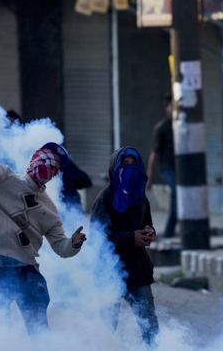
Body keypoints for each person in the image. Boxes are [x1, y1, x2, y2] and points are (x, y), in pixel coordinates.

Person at [0, 142, 87, 335]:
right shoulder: (4, 179)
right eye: (45, 159)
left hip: (26, 266)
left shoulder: (49, 208)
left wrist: (73, 243)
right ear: (33, 159)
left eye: (55, 166)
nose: (49, 167)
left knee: (38, 323)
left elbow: (60, 246)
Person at [91, 147, 159, 347]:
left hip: (138, 271)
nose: (129, 168)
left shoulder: (141, 198)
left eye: (133, 163)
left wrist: (149, 232)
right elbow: (98, 237)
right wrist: (131, 238)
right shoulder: (105, 199)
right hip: (110, 273)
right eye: (124, 164)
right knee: (107, 328)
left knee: (150, 327)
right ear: (115, 168)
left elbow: (147, 223)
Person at [147, 94, 177, 238]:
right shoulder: (162, 128)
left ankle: (173, 231)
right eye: (173, 106)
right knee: (177, 195)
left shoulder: (182, 124)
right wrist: (150, 177)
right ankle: (169, 232)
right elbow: (154, 154)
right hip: (167, 168)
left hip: (180, 169)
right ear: (167, 108)